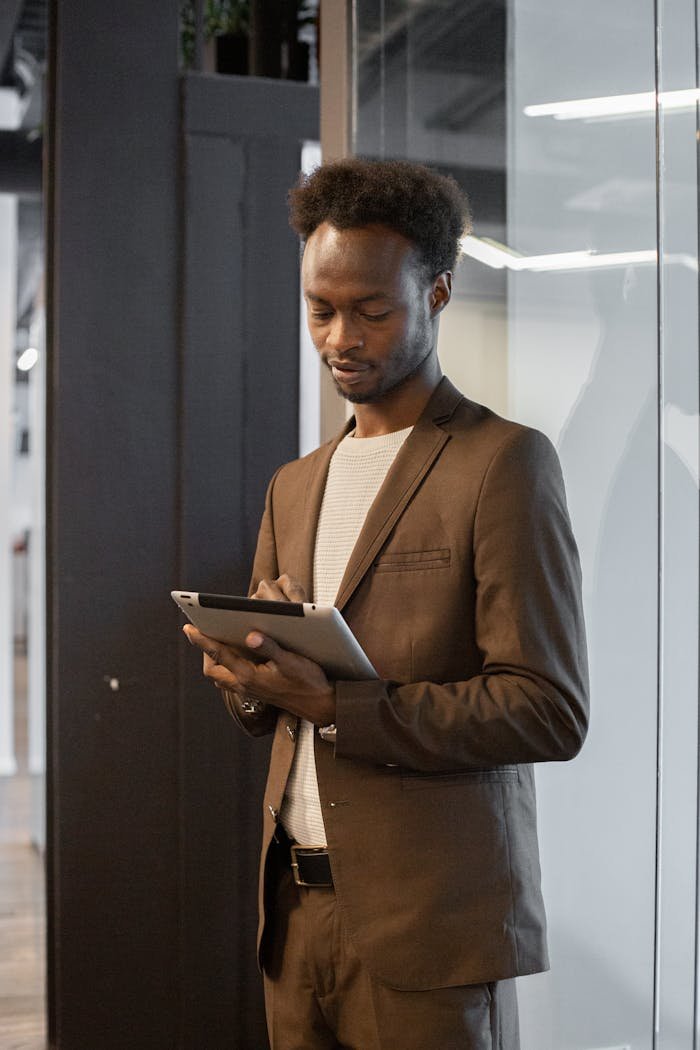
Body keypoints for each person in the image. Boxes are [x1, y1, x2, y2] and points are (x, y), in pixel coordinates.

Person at [184, 158, 589, 1050]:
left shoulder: (502, 463)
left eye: (373, 310)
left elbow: (549, 710)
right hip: (294, 915)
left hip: (431, 929)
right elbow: (262, 714)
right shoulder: (295, 485)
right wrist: (249, 677)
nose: (340, 338)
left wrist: (339, 706)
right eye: (320, 311)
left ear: (437, 292)